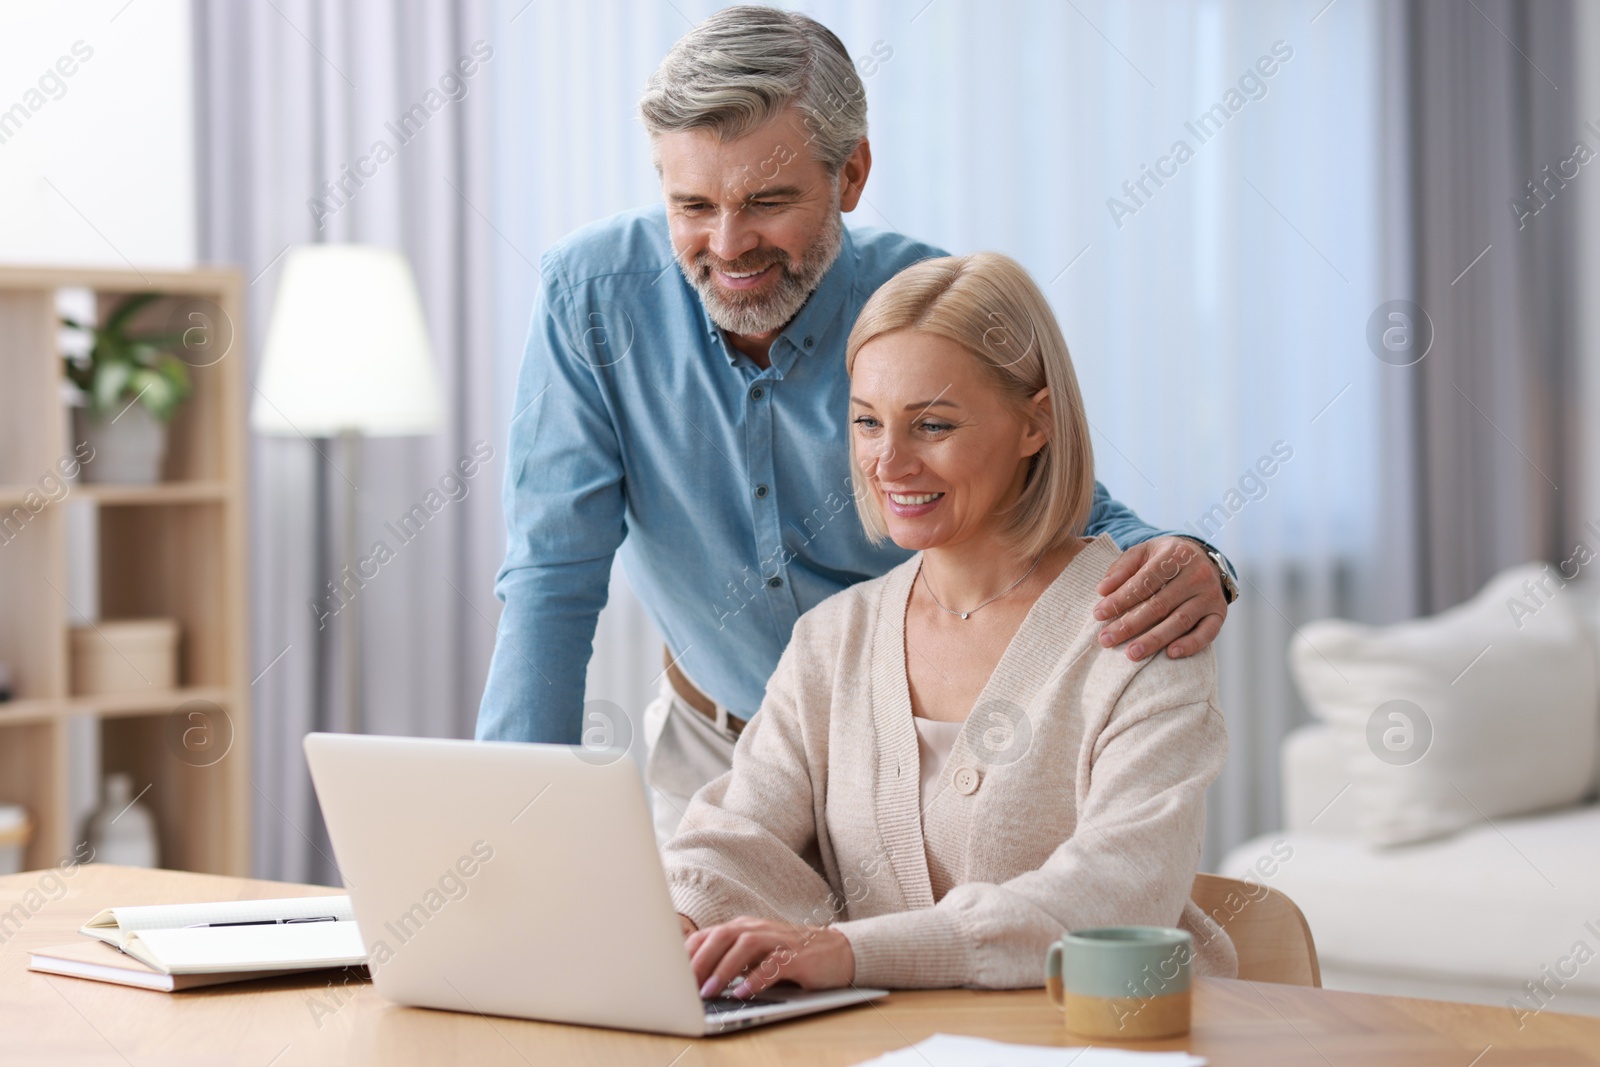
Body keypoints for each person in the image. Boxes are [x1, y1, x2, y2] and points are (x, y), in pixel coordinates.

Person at [474, 7, 1239, 844]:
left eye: (767, 201)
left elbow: (1060, 505)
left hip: (903, 770)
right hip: (711, 755)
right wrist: (507, 827)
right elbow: (553, 576)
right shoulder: (591, 297)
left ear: (851, 174)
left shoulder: (923, 301)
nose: (728, 246)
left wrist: (1193, 560)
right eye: (692, 204)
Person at [664, 252, 1236, 995]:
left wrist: (848, 951)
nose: (888, 462)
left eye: (932, 424)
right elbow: (741, 835)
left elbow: (1117, 894)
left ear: (1036, 423)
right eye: (868, 421)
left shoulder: (1143, 631)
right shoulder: (833, 639)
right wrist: (675, 921)